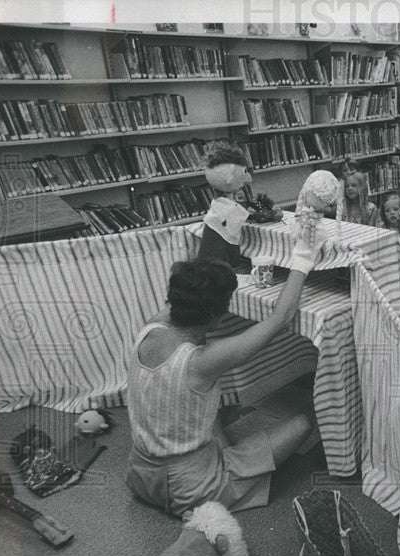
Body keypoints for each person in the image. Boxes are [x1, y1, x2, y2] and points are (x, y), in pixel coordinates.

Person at [124, 170, 339, 516]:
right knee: (301, 424)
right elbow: (280, 319)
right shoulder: (203, 361)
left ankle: (212, 453)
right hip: (192, 490)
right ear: (217, 315)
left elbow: (188, 289)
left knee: (213, 411)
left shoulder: (151, 327)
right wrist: (303, 255)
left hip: (141, 475)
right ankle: (221, 474)